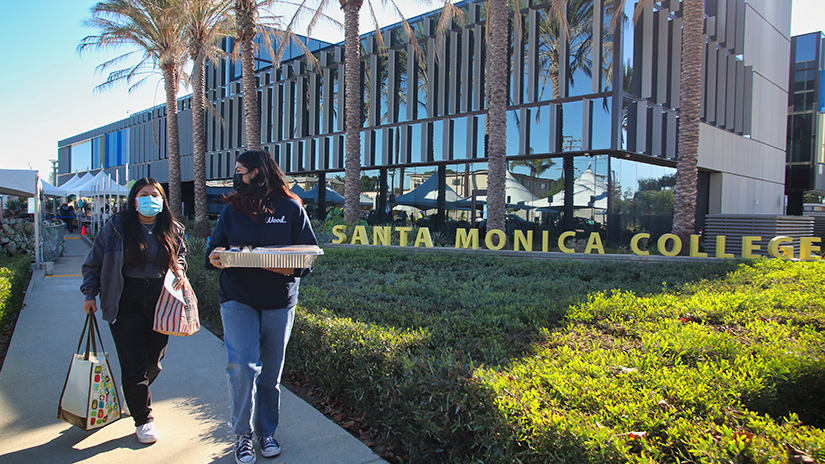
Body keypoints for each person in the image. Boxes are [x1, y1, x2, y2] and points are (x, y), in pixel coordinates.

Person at [206, 150, 317, 464]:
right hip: (237, 298)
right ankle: (242, 435)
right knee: (242, 367)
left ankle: (266, 432)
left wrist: (281, 264)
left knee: (270, 375)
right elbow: (213, 250)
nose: (237, 175)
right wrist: (215, 257)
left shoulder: (292, 207)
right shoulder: (232, 208)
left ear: (259, 171)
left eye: (242, 170)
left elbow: (308, 257)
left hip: (278, 302)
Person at [80, 178, 186, 445]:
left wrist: (181, 270)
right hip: (124, 299)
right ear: (134, 199)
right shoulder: (116, 228)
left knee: (154, 360)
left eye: (156, 194)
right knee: (133, 362)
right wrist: (90, 294)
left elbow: (180, 255)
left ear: (163, 200)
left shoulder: (172, 228)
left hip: (161, 301)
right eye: (144, 194)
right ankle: (143, 418)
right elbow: (93, 262)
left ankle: (134, 394)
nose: (151, 199)